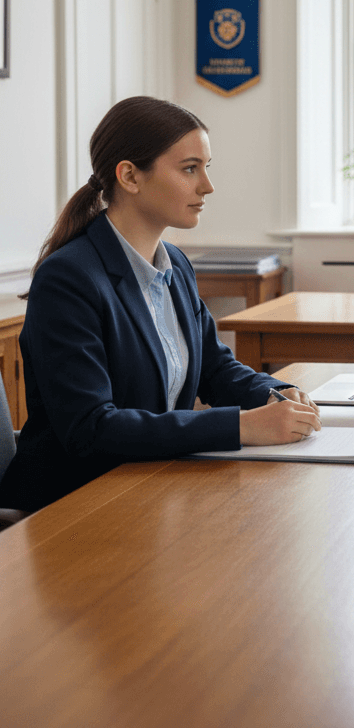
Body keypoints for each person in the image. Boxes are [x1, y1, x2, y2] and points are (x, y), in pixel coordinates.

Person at [0, 96, 322, 512]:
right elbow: (91, 429)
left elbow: (214, 367)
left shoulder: (176, 265)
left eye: (207, 167)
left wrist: (277, 391)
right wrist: (240, 426)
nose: (206, 185)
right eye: (190, 169)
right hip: (75, 506)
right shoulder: (69, 279)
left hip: (151, 488)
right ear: (130, 177)